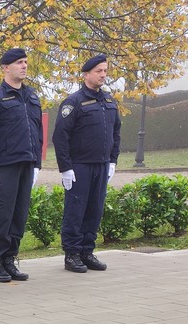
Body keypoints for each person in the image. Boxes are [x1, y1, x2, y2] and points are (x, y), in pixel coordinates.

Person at [0, 47, 43, 283]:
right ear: (5, 68)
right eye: (18, 63)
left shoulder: (32, 96)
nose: (24, 66)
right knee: (1, 215)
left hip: (26, 163)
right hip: (4, 166)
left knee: (19, 214)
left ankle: (10, 258)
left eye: (25, 62)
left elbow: (38, 132)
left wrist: (37, 164)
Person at [53, 54, 121, 274]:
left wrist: (112, 160)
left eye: (105, 71)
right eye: (98, 71)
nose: (103, 75)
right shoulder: (74, 102)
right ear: (86, 74)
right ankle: (71, 254)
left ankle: (87, 251)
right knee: (75, 210)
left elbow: (116, 131)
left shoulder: (109, 101)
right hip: (79, 166)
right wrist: (65, 168)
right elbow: (60, 137)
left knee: (95, 209)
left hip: (101, 165)